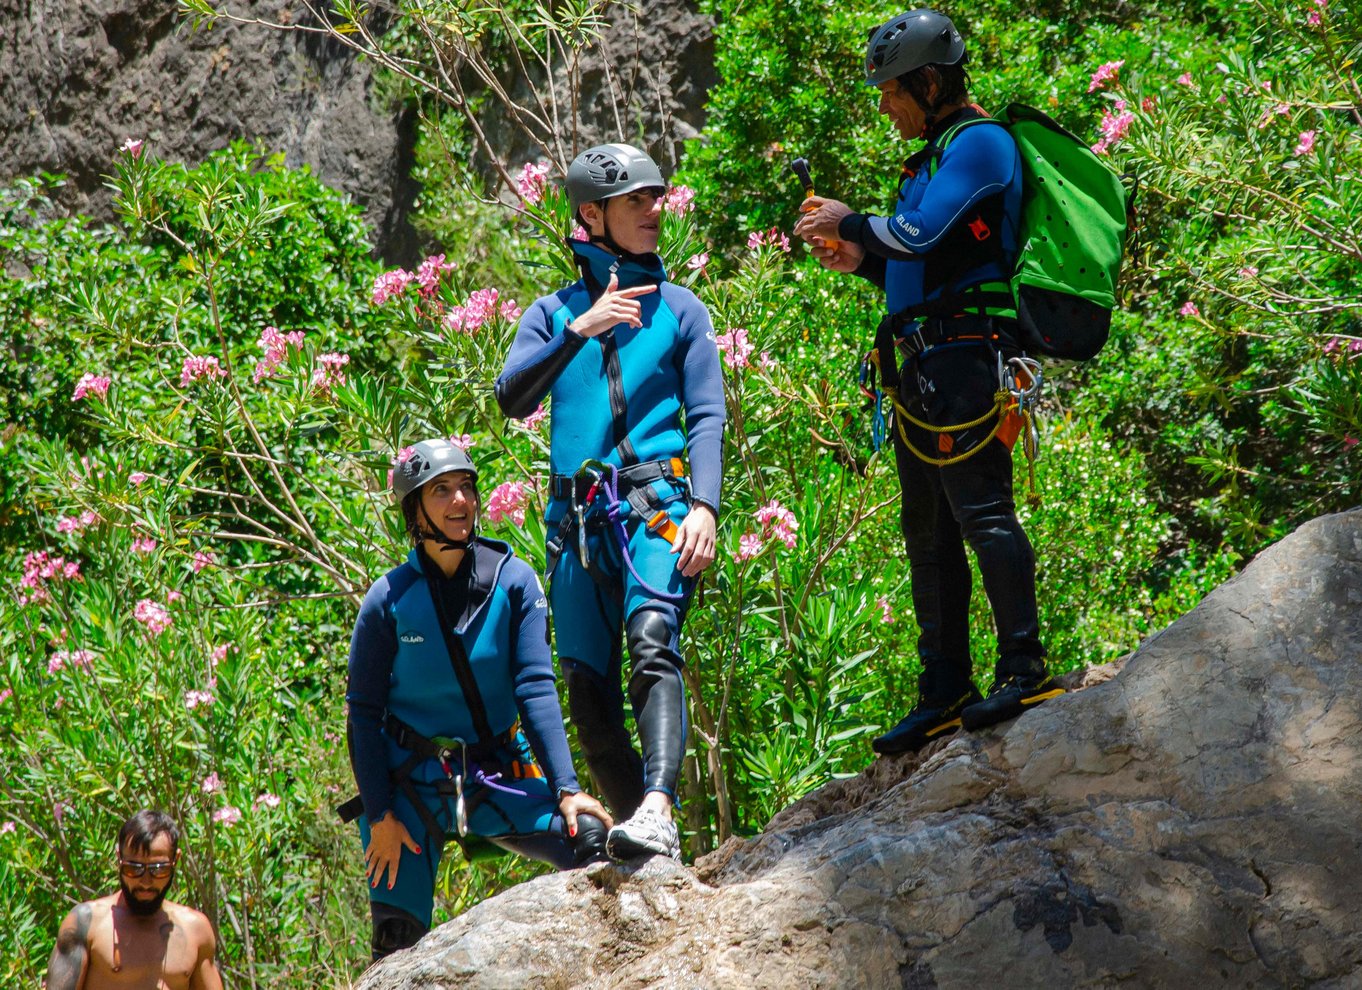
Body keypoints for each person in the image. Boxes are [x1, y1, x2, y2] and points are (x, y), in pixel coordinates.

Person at [794, 9, 1063, 755]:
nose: (885, 107)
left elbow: (921, 234)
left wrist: (853, 223)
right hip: (923, 363)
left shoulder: (981, 143)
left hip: (967, 360)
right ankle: (944, 688)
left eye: (891, 90)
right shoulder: (935, 154)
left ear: (931, 81)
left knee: (982, 513)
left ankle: (1024, 666)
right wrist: (862, 259)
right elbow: (919, 261)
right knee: (929, 531)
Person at [495, 142, 724, 861]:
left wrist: (708, 508)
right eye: (637, 201)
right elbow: (513, 398)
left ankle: (657, 807)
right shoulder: (551, 314)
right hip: (576, 528)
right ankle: (644, 842)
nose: (655, 211)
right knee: (588, 701)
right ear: (591, 215)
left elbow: (708, 416)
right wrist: (578, 330)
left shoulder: (681, 311)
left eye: (656, 198)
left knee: (654, 643)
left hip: (655, 507)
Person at [343, 438, 613, 960]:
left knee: (593, 843)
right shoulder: (388, 600)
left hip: (498, 776)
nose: (460, 501)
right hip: (410, 791)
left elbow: (535, 687)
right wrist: (379, 817)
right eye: (441, 490)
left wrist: (567, 789)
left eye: (466, 487)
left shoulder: (515, 583)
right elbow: (364, 713)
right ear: (414, 509)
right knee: (396, 944)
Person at [44, 809, 223, 990]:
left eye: (158, 869)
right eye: (134, 868)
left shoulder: (196, 930)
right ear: (119, 858)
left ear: (175, 860)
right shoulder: (87, 924)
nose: (145, 882)